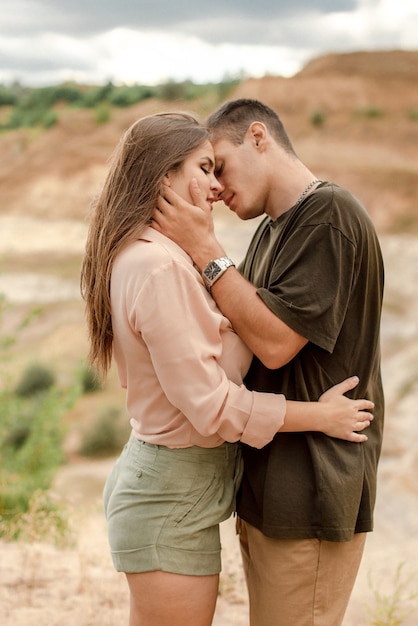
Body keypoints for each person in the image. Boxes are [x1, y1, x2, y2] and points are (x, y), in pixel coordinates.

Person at [80, 111, 374, 626]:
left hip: (220, 487)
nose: (216, 186)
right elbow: (216, 400)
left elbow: (264, 343)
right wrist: (317, 416)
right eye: (204, 167)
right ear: (163, 177)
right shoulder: (159, 265)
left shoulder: (175, 256)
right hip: (182, 491)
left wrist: (208, 254)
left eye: (220, 167)